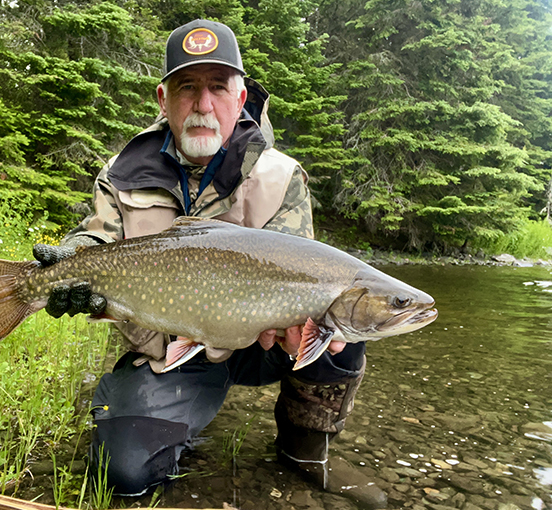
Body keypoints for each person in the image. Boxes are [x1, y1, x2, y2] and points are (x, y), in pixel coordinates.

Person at [36, 19, 386, 508]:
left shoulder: (280, 177)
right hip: (170, 338)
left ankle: (306, 453)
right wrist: (72, 260)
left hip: (257, 340)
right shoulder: (122, 173)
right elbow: (99, 235)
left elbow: (303, 268)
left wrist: (296, 325)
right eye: (187, 88)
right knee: (123, 472)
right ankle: (169, 418)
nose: (203, 105)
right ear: (163, 99)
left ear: (239, 99)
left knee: (341, 331)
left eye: (218, 88)